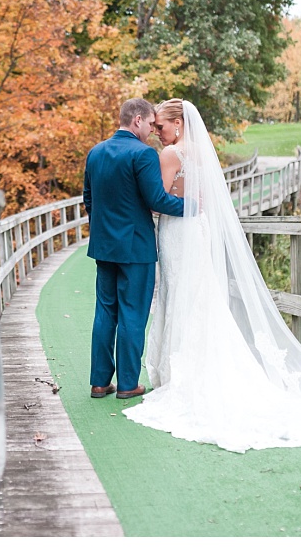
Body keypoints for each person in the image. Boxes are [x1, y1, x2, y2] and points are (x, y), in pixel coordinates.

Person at [123, 99, 301, 452]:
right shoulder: (203, 154)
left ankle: (180, 376)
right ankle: (194, 368)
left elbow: (158, 199)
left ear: (179, 123)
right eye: (155, 127)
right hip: (197, 229)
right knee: (198, 294)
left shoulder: (171, 154)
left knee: (182, 294)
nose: (158, 133)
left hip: (179, 231)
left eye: (161, 126)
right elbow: (201, 198)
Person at [83, 98, 185, 400]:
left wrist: (104, 229)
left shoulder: (96, 152)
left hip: (104, 246)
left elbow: (89, 199)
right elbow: (158, 200)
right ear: (137, 120)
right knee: (133, 314)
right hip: (136, 247)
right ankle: (128, 384)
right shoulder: (143, 154)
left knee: (105, 311)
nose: (152, 131)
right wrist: (191, 207)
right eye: (150, 124)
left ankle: (99, 383)